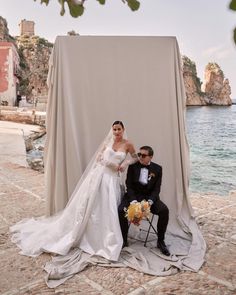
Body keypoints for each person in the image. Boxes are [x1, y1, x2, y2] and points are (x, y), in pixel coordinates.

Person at [10, 121, 138, 262]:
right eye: (114, 129)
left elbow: (135, 157)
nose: (116, 132)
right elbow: (98, 158)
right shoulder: (108, 141)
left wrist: (125, 163)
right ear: (112, 130)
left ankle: (107, 239)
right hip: (100, 177)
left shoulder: (128, 144)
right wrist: (109, 163)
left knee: (109, 209)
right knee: (92, 208)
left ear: (123, 129)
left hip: (112, 180)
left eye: (119, 129)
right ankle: (88, 236)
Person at [118, 145, 170, 256]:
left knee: (164, 210)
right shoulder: (132, 167)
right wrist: (133, 201)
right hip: (133, 197)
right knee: (120, 210)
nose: (140, 157)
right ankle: (123, 240)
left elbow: (157, 189)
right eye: (139, 154)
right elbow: (129, 185)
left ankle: (161, 241)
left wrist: (150, 202)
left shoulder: (158, 169)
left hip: (149, 198)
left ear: (150, 157)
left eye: (144, 155)